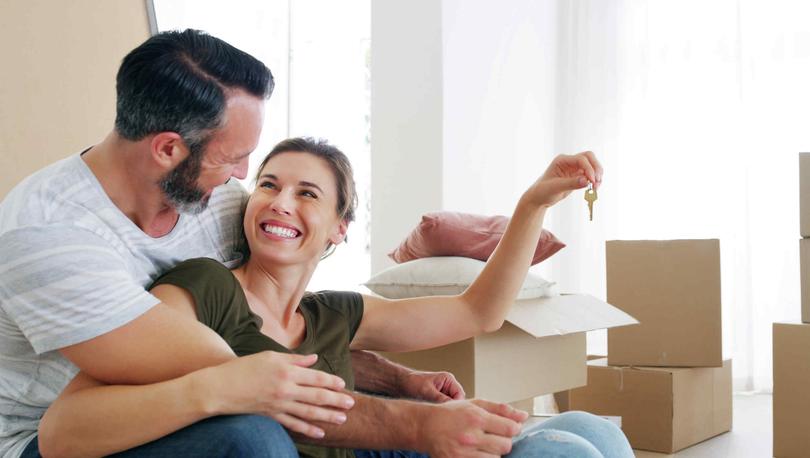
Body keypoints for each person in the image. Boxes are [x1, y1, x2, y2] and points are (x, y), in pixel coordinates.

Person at [0, 29, 468, 458]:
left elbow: (266, 334)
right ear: (168, 149)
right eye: (234, 158)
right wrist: (416, 424)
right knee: (255, 435)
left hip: (196, 397)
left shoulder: (217, 199)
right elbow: (248, 372)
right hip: (55, 437)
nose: (244, 177)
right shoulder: (47, 235)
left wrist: (398, 381)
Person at [36, 138, 633, 457]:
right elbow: (69, 425)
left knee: (591, 429)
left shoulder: (335, 314)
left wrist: (533, 203)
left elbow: (477, 311)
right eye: (268, 184)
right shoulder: (205, 289)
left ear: (340, 227)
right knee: (559, 452)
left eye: (307, 193)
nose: (279, 201)